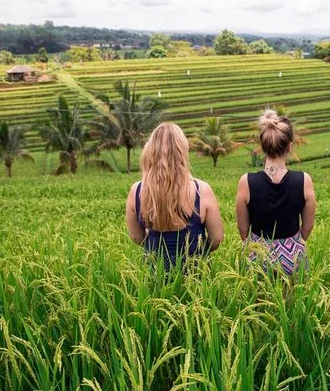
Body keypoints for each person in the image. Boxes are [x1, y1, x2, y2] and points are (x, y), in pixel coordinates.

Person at [126, 123, 224, 270]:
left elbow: (136, 236)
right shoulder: (202, 190)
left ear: (150, 151)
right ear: (182, 151)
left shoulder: (137, 191)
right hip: (195, 273)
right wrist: (198, 249)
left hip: (155, 272)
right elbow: (217, 238)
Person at [236, 110, 316, 275]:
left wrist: (258, 246)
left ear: (262, 147)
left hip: (258, 258)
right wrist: (292, 244)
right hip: (293, 258)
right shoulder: (304, 180)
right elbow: (308, 226)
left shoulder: (246, 181)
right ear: (289, 147)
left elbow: (243, 229)